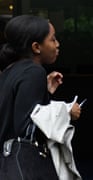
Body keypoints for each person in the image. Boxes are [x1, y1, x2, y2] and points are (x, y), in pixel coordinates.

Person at [0, 15, 81, 179]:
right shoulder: (35, 72)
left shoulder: (10, 71)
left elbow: (17, 112)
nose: (57, 44)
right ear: (36, 47)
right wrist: (66, 112)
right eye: (52, 39)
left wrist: (45, 93)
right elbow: (27, 128)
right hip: (25, 166)